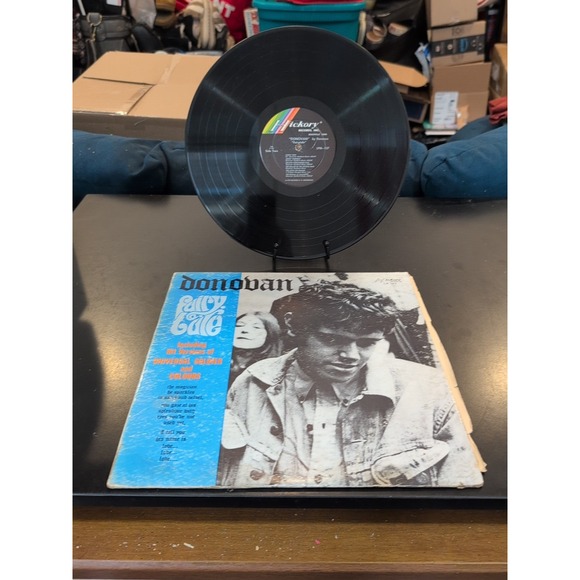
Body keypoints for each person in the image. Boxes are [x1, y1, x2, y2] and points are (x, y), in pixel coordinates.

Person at [217, 280, 483, 488]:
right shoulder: (253, 382)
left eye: (367, 343)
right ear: (294, 328)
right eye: (333, 340)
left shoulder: (428, 390)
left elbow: (460, 485)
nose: (352, 356)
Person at [229, 311, 283, 387]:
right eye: (239, 325)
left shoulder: (275, 370)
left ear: (270, 335)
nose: (244, 330)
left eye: (256, 327)